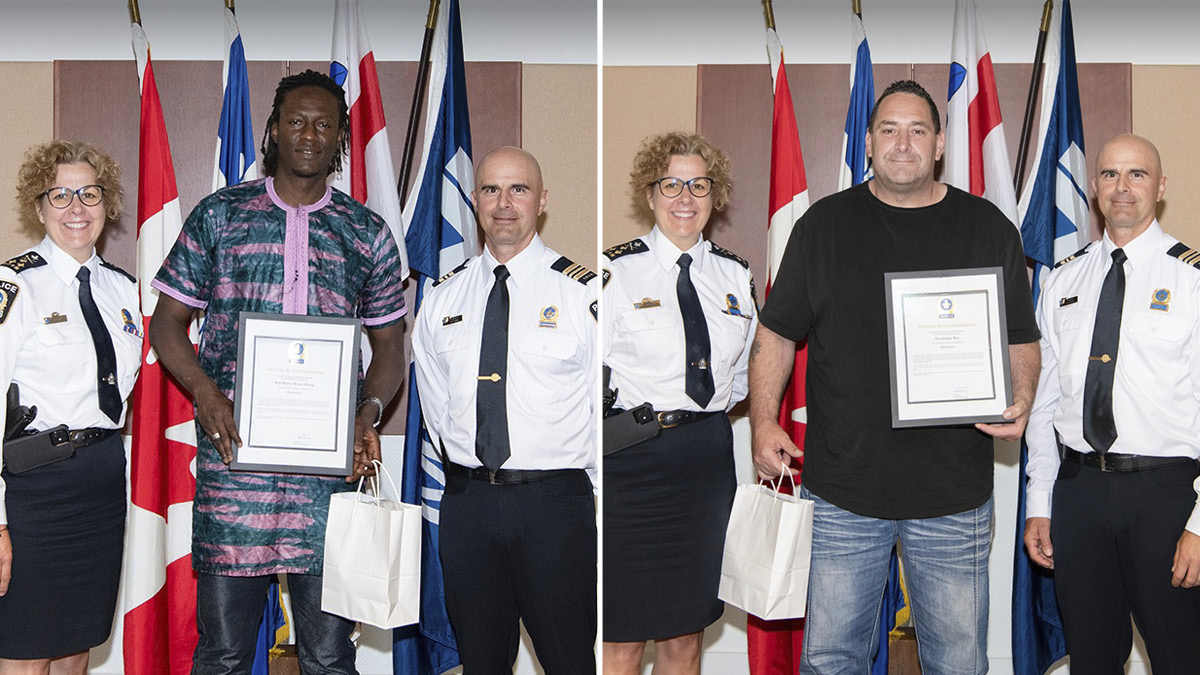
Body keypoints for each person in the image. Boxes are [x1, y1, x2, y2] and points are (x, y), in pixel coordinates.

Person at [749, 80, 1040, 674]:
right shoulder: (822, 226)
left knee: (958, 662)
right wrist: (761, 423)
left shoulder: (988, 228)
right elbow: (776, 333)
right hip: (842, 493)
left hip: (953, 494)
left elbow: (1021, 338)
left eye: (917, 130)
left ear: (939, 145)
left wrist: (1024, 395)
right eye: (888, 130)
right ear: (869, 142)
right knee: (831, 659)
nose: (902, 143)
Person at [148, 70, 406, 675]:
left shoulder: (365, 231)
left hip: (329, 476)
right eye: (296, 121)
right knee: (225, 652)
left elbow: (391, 346)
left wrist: (365, 416)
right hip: (235, 461)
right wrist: (207, 397)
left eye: (323, 124)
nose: (309, 135)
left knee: (329, 655)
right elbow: (165, 325)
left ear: (341, 135)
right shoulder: (220, 215)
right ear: (272, 129)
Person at [411, 146, 597, 673]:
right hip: (469, 506)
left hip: (554, 507)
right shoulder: (444, 298)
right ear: (474, 201)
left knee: (569, 661)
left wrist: (590, 500)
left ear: (542, 200)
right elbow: (436, 405)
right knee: (482, 663)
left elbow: (600, 409)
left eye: (518, 189)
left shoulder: (581, 296)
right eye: (491, 189)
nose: (504, 203)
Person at [1024, 133, 1200, 673]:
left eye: (1137, 175)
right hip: (1080, 495)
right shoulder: (1063, 279)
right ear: (1094, 187)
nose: (1122, 188)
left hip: (1167, 497)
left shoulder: (1192, 280)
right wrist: (1039, 501)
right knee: (1092, 659)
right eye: (1109, 175)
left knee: (1181, 658)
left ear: (1161, 186)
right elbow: (1046, 402)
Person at [602, 132, 757, 675]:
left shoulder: (736, 276)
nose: (684, 197)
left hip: (705, 462)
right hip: (629, 463)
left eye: (699, 184)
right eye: (671, 184)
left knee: (686, 635)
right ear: (650, 194)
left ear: (715, 196)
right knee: (619, 638)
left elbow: (739, 381)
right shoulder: (612, 273)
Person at [0, 141, 139, 672]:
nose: (76, 207)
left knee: (77, 648)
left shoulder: (123, 291)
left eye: (89, 193)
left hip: (101, 483)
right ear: (38, 207)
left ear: (107, 204)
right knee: (25, 651)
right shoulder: (15, 285)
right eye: (60, 195)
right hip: (33, 491)